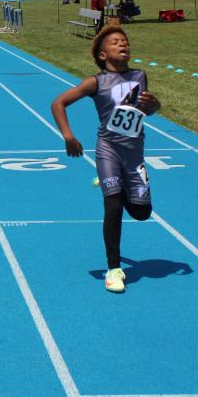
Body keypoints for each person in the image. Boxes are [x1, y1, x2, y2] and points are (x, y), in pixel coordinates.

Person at [50, 26, 161, 294]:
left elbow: (147, 111)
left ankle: (114, 182)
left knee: (142, 213)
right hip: (108, 150)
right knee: (113, 207)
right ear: (103, 55)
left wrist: (155, 105)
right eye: (115, 42)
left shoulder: (140, 76)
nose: (123, 44)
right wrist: (68, 137)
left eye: (125, 41)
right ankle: (113, 269)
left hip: (134, 153)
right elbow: (58, 103)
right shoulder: (96, 82)